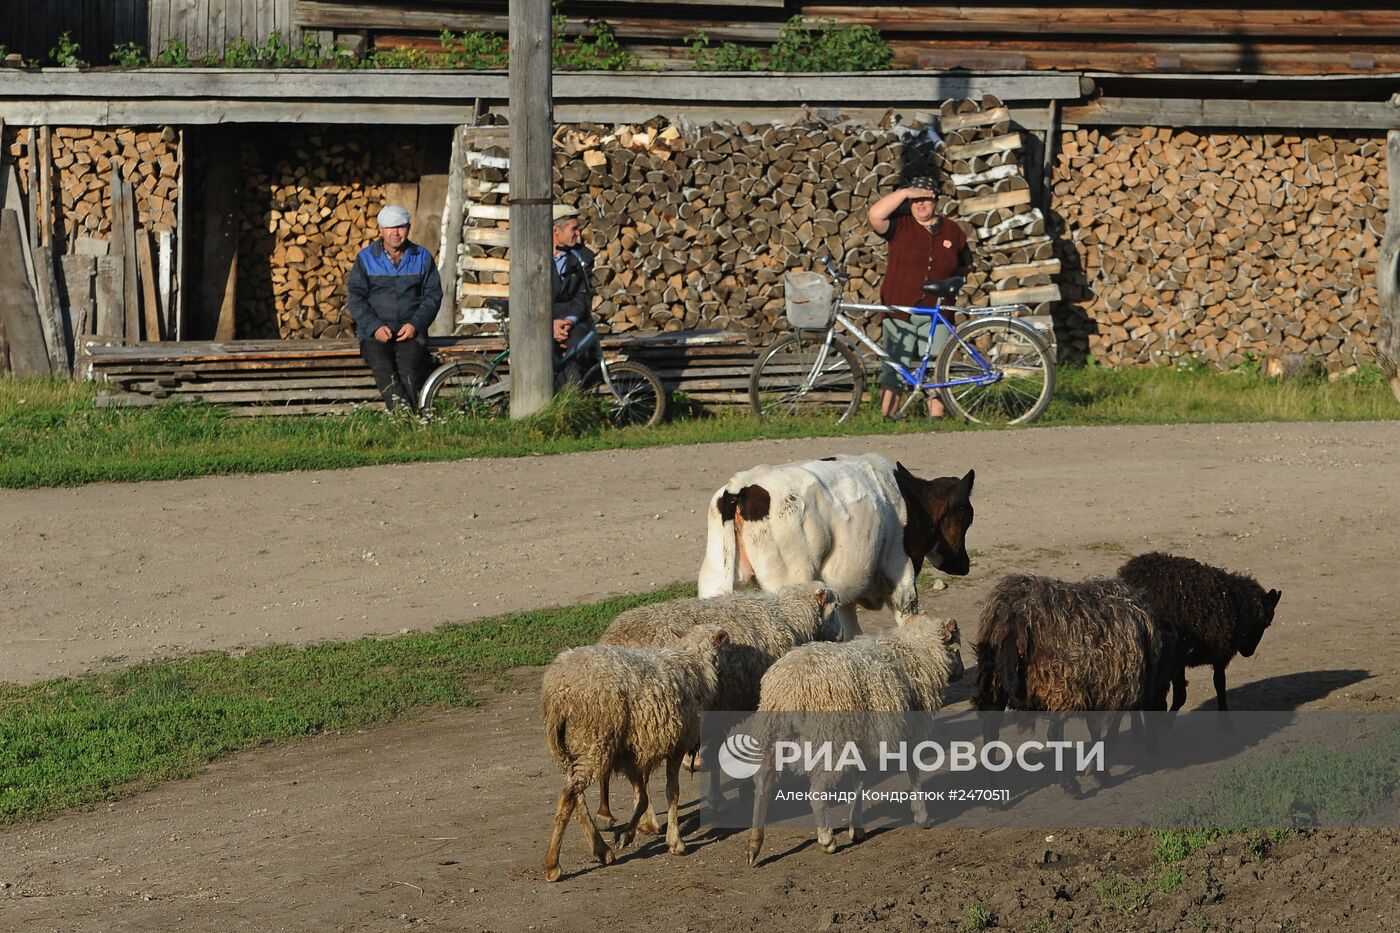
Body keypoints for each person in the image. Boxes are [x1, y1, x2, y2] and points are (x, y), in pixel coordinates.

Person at [867, 175, 972, 419]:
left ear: (935, 200)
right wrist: (905, 193)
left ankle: (936, 417)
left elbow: (965, 265)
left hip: (938, 309)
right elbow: (875, 216)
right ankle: (888, 417)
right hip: (900, 308)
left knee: (937, 364)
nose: (920, 205)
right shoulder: (899, 225)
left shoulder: (952, 231)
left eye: (925, 199)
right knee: (894, 364)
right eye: (916, 201)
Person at [347, 204, 443, 413]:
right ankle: (405, 418)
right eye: (390, 227)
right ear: (380, 230)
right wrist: (374, 327)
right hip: (375, 334)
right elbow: (356, 298)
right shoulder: (365, 258)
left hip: (410, 333)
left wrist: (415, 324)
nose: (395, 232)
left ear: (408, 227)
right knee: (383, 367)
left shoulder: (422, 257)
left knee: (410, 370)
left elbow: (433, 296)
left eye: (400, 227)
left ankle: (405, 420)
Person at [551, 205, 598, 386]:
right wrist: (550, 323)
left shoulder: (583, 256)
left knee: (580, 343)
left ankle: (572, 398)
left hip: (573, 320)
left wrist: (569, 321)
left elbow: (582, 297)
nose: (578, 234)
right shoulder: (533, 256)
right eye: (574, 229)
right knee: (539, 347)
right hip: (540, 320)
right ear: (556, 230)